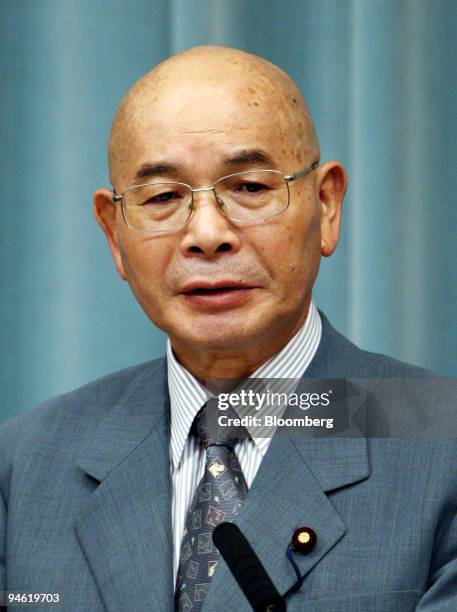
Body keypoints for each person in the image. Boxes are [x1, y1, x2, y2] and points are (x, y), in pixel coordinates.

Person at [0, 46, 455, 612]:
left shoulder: (443, 446)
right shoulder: (25, 464)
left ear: (327, 205)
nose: (207, 234)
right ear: (114, 234)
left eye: (250, 188)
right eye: (163, 197)